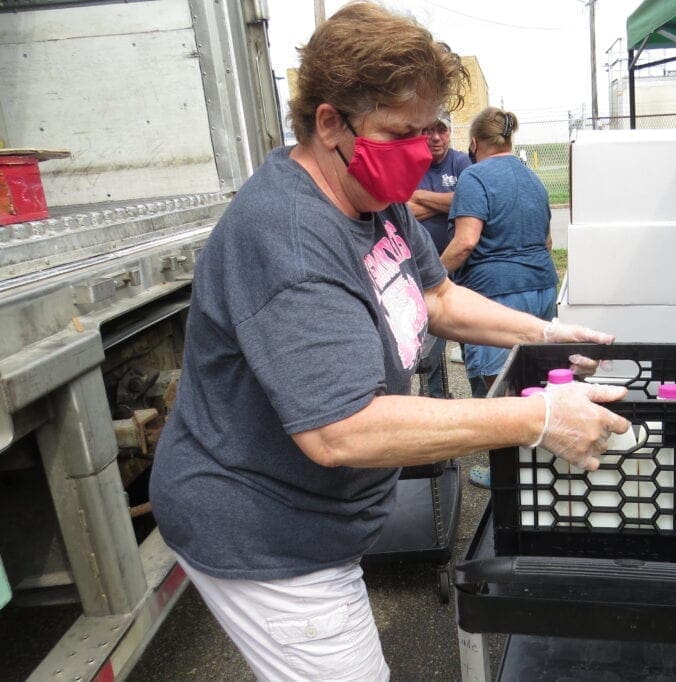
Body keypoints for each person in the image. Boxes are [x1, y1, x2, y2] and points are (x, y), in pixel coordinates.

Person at [148, 3, 629, 680]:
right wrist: (538, 418)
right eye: (403, 131)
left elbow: (435, 297)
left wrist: (546, 333)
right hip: (263, 527)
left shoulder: (373, 194)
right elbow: (342, 428)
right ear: (328, 122)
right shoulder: (289, 238)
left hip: (322, 515)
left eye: (432, 130)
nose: (423, 150)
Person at [440, 107, 559, 487]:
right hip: (542, 285)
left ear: (474, 144)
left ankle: (504, 474)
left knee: (498, 385)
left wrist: (428, 278)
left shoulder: (474, 176)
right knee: (534, 376)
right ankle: (541, 460)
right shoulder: (533, 178)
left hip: (498, 293)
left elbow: (466, 242)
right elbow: (547, 241)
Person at [407, 108, 470, 398]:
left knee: (468, 331)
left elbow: (466, 200)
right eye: (428, 130)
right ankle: (434, 396)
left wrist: (420, 195)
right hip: (420, 267)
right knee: (429, 334)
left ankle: (475, 396)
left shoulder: (461, 162)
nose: (435, 137)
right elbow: (402, 210)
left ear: (449, 132)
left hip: (460, 263)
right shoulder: (412, 164)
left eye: (441, 130)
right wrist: (448, 203)